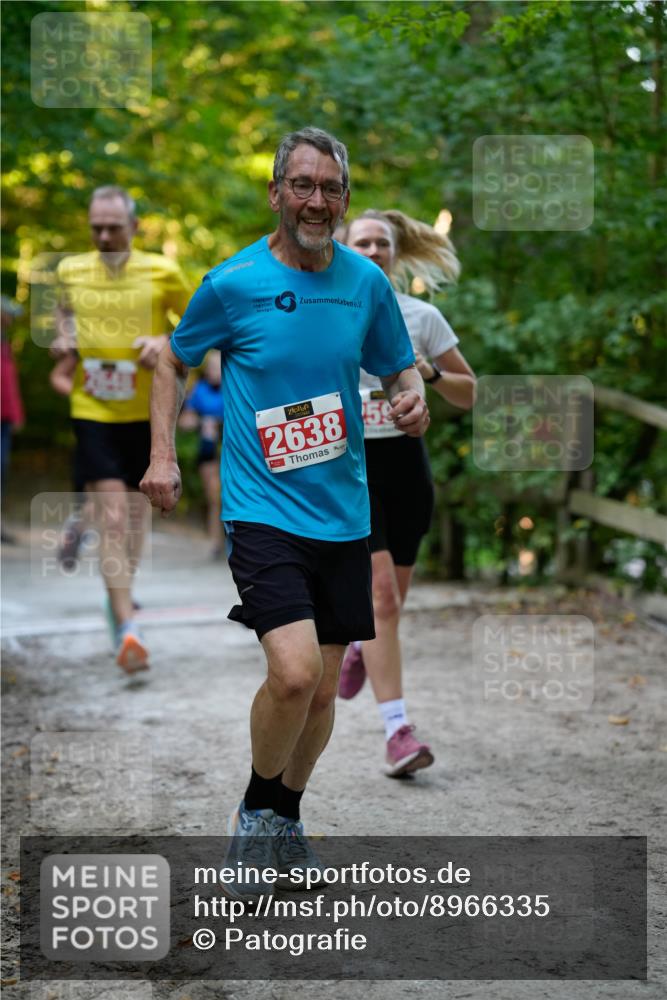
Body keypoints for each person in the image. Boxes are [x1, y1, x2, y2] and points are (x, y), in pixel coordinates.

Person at [140, 127, 429, 898]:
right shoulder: (231, 283)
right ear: (275, 193)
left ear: (344, 198)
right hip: (261, 508)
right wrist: (164, 456)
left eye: (330, 188)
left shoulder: (364, 284)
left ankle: (284, 818)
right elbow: (172, 360)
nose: (316, 200)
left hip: (344, 511)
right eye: (302, 184)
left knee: (324, 684)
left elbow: (398, 367)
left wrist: (411, 398)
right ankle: (255, 813)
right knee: (295, 673)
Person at [338, 209, 476, 776]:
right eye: (362, 242)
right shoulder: (330, 310)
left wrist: (432, 376)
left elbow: (472, 393)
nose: (373, 250)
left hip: (406, 468)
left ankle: (359, 646)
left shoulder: (422, 317)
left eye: (382, 243)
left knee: (391, 601)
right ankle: (397, 731)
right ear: (345, 248)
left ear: (396, 253)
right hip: (351, 467)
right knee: (383, 600)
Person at [52, 186, 190, 672]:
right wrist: (63, 335)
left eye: (114, 227)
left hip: (148, 411)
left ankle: (119, 601)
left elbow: (197, 325)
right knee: (111, 517)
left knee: (134, 518)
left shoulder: (162, 271)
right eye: (97, 228)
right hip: (93, 408)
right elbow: (63, 315)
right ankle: (129, 624)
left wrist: (164, 339)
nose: (105, 236)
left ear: (134, 227)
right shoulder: (71, 270)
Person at [178, 350, 225, 558]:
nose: (214, 371)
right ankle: (216, 543)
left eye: (218, 367)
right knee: (215, 497)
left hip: (233, 448)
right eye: (211, 367)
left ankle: (232, 539)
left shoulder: (235, 386)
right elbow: (185, 421)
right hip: (208, 449)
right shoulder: (199, 389)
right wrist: (200, 421)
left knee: (230, 495)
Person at [1, 296, 25, 543]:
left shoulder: (5, 343)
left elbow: (9, 383)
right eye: (6, 314)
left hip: (5, 420)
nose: (9, 319)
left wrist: (16, 414)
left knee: (2, 469)